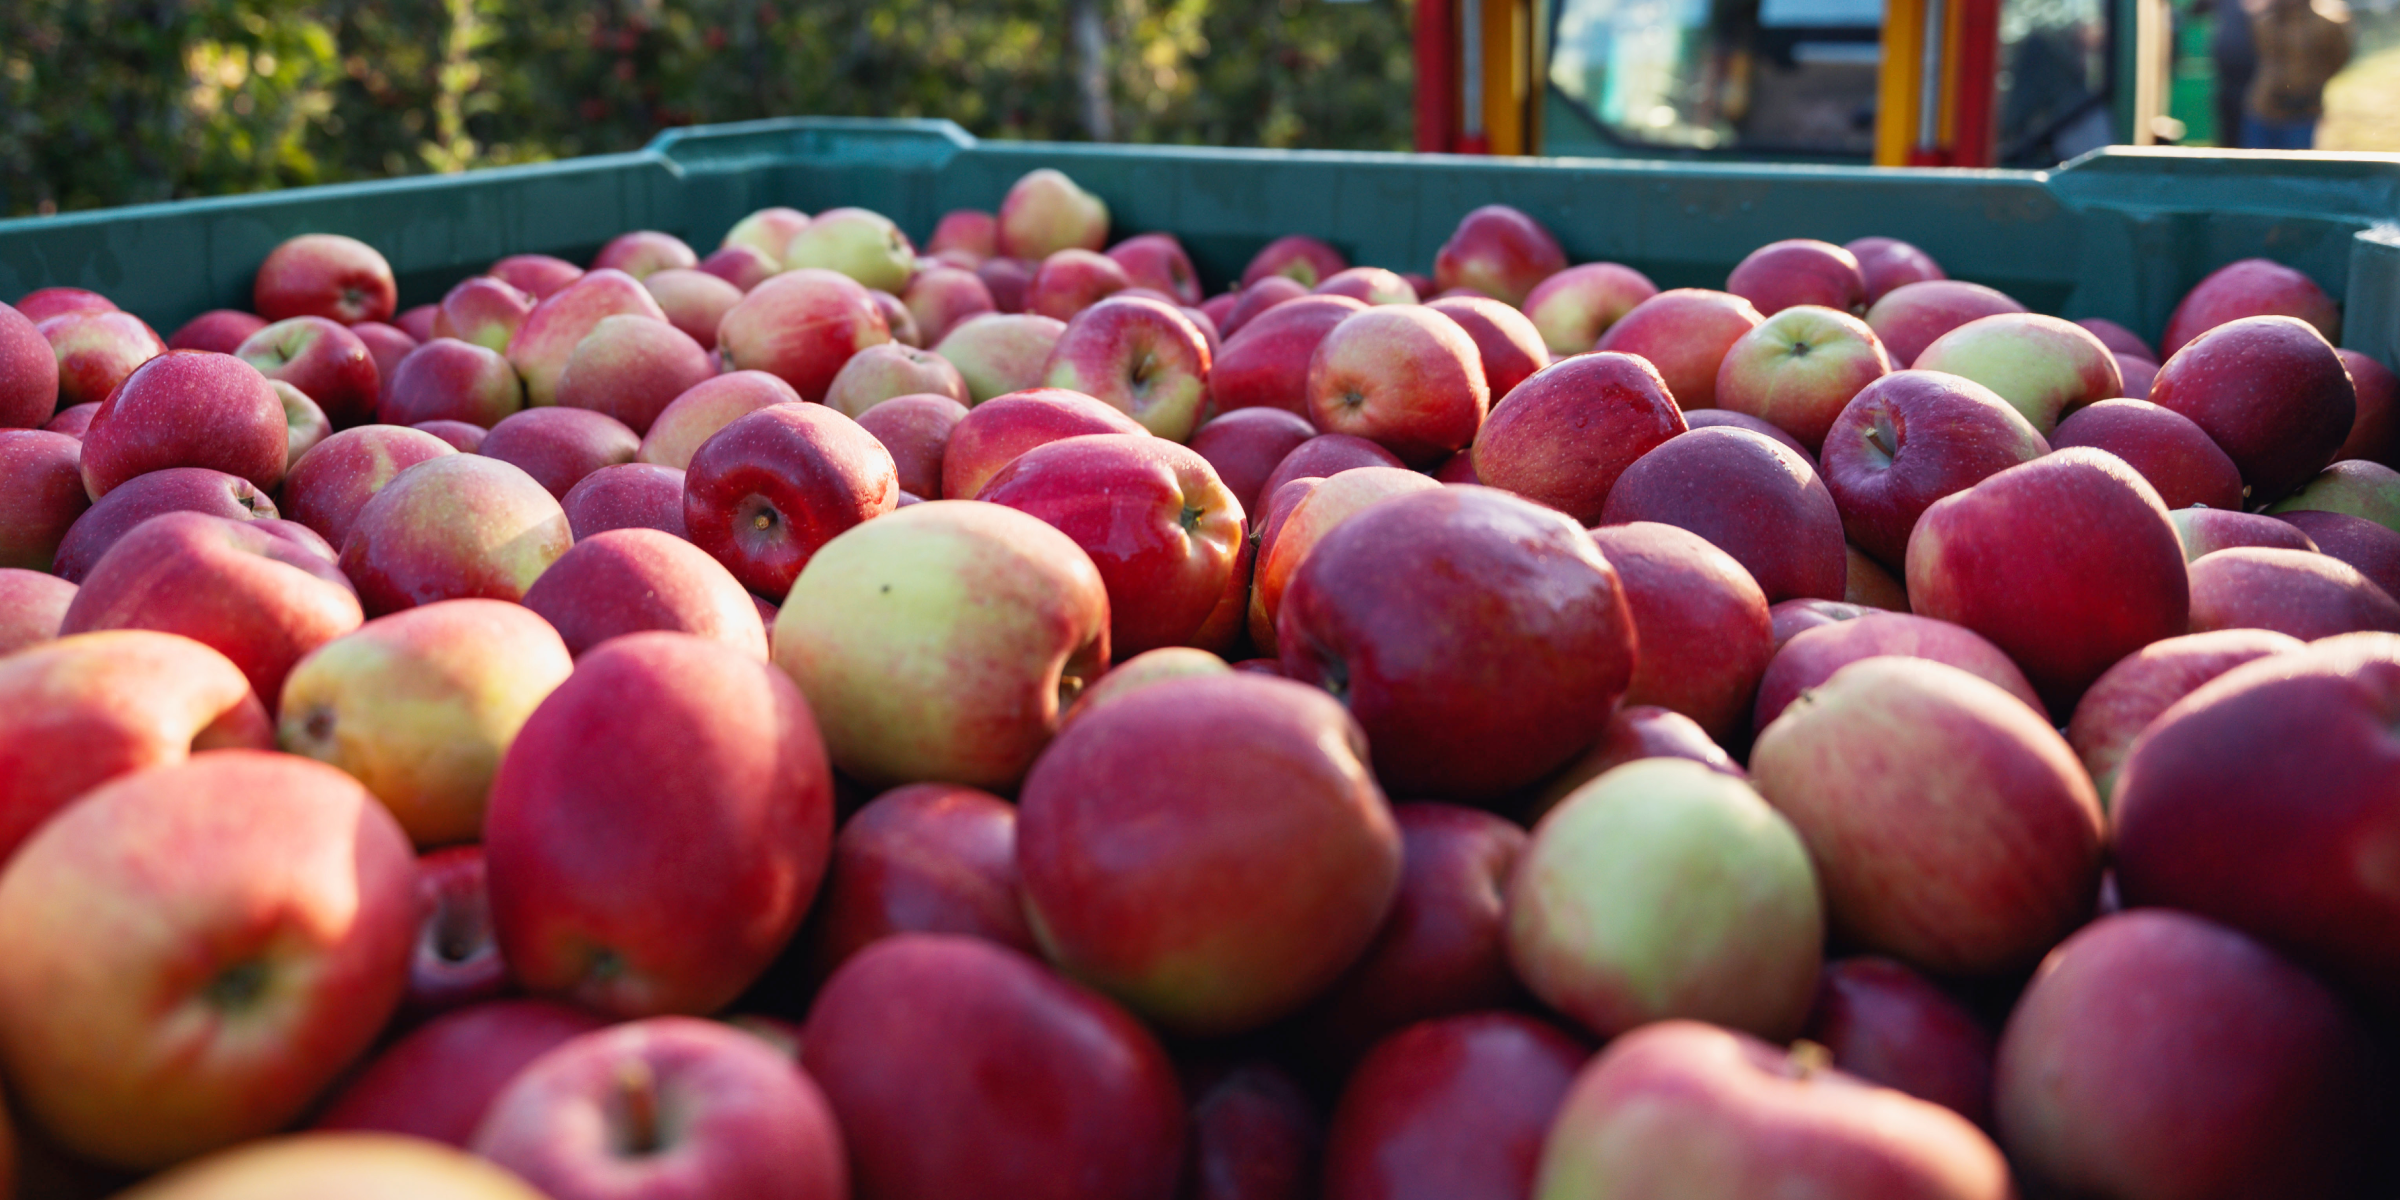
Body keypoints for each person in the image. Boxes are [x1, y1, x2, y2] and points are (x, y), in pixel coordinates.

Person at [2242, 0, 2353, 149]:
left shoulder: (2325, 24)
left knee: (2296, 168)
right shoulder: (2263, 19)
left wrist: (2309, 83)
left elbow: (2339, 56)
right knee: (2257, 167)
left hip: (2301, 111)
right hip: (2263, 108)